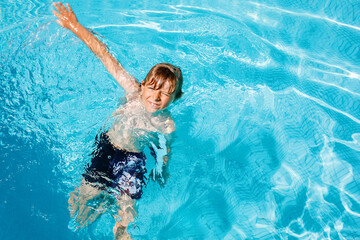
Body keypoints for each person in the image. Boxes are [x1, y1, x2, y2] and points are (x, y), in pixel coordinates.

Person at [53, 2, 183, 239]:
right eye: (153, 88)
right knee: (81, 199)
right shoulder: (132, 90)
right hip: (108, 146)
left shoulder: (166, 124)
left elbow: (165, 149)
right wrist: (75, 26)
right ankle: (99, 200)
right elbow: (104, 56)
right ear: (142, 85)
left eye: (166, 94)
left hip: (132, 160)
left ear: (175, 98)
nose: (156, 97)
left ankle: (121, 231)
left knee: (127, 208)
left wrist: (163, 168)